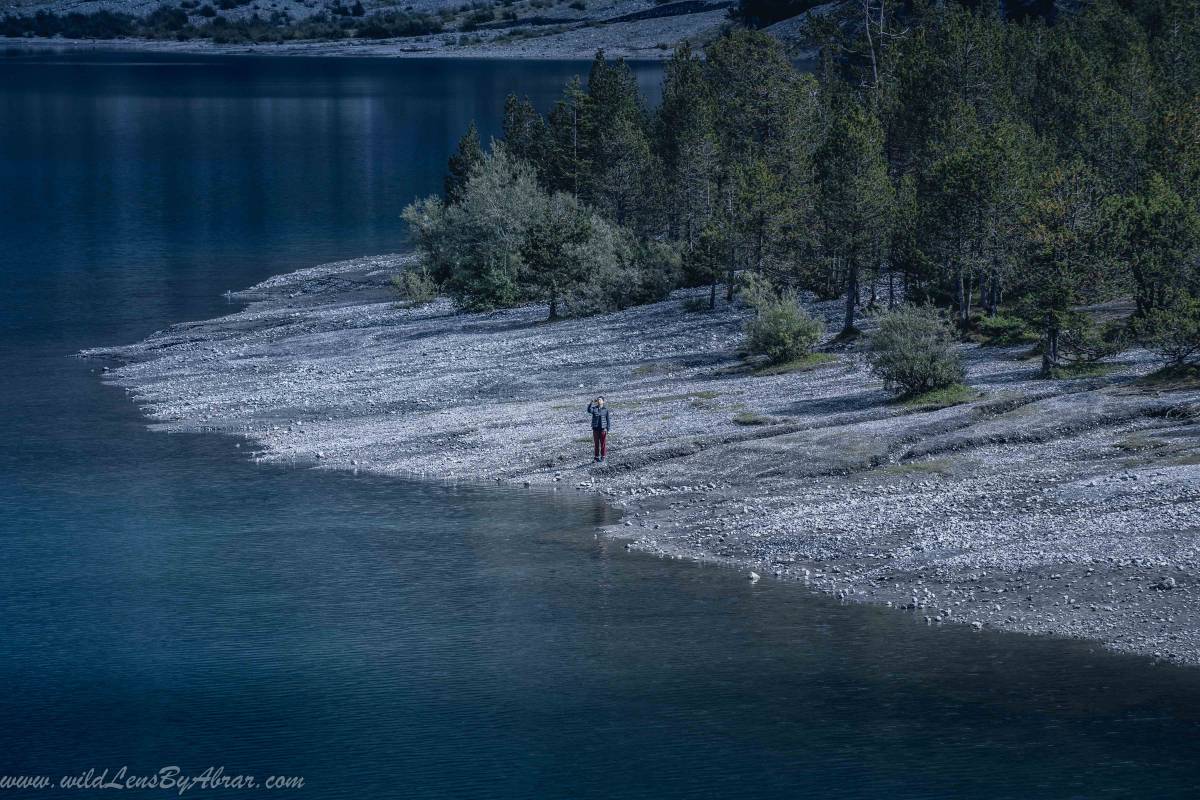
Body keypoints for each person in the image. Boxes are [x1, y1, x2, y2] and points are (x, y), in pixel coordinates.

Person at [587, 396, 610, 463]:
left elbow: (608, 420)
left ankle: (603, 456)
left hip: (603, 430)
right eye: (598, 400)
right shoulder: (594, 409)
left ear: (603, 401)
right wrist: (591, 403)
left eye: (600, 400)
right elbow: (589, 410)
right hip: (596, 429)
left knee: (603, 444)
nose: (599, 401)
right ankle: (596, 457)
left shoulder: (605, 410)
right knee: (596, 444)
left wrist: (607, 429)